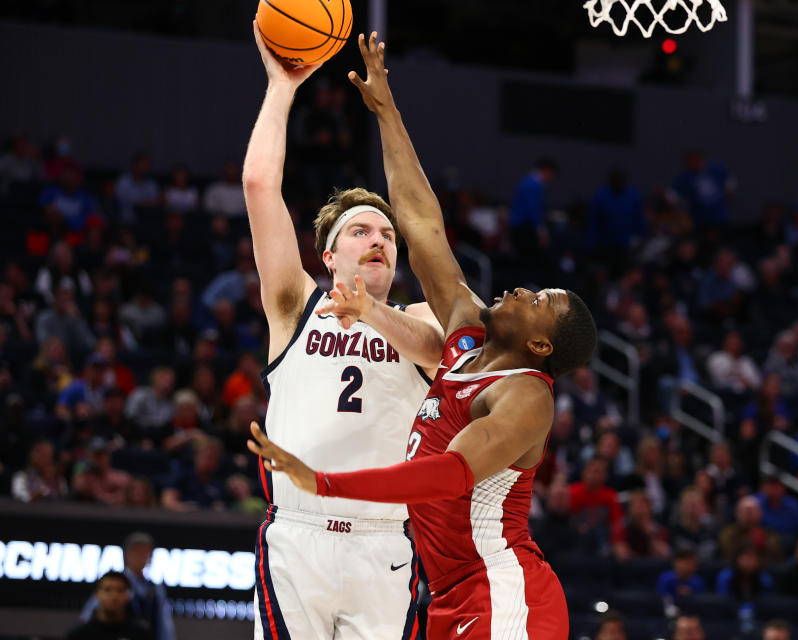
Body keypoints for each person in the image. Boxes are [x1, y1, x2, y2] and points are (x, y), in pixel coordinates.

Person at [247, 31, 598, 639]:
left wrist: (324, 480)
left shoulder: (523, 392)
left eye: (541, 301)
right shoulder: (465, 336)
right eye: (361, 232)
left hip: (493, 585)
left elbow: (449, 475)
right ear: (327, 255)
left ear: (541, 345)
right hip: (441, 586)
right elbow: (422, 223)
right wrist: (386, 111)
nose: (521, 290)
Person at [242, 22, 445, 640]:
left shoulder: (418, 319)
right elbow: (258, 186)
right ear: (328, 256)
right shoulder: (295, 305)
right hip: (298, 535)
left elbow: (442, 354)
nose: (378, 239)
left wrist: (372, 314)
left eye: (386, 234)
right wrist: (281, 86)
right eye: (361, 231)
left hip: (383, 543)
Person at [80, 533, 175, 640]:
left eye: (145, 553)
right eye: (137, 552)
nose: (141, 557)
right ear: (127, 555)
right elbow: (88, 616)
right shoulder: (115, 582)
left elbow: (164, 625)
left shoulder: (155, 589)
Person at [69, 571, 152, 640]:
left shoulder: (141, 635)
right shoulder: (79, 635)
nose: (114, 596)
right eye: (107, 589)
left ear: (129, 596)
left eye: (120, 590)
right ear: (97, 594)